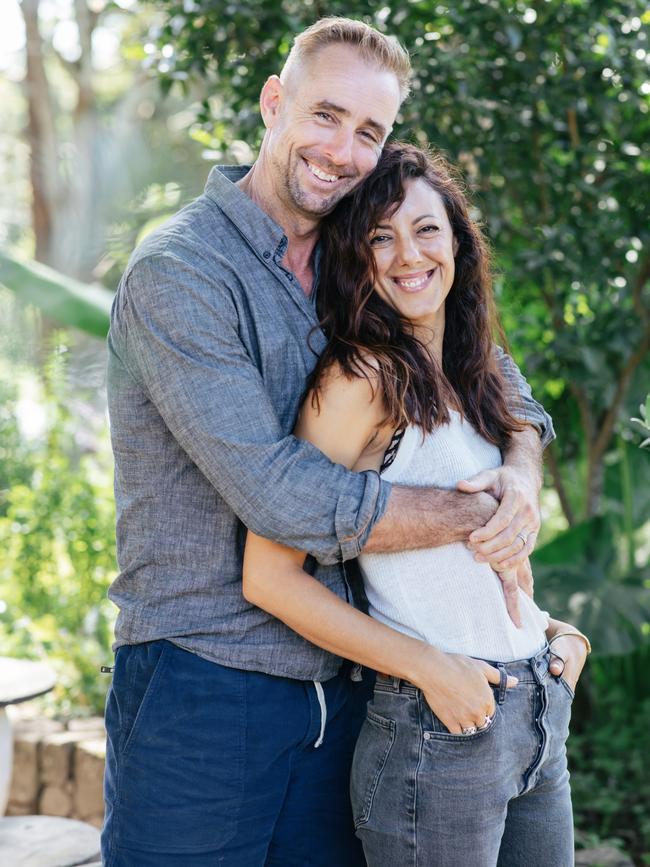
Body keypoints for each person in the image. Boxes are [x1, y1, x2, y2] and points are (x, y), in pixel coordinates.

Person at [103, 17, 571, 867]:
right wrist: (476, 515)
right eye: (326, 115)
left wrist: (521, 479)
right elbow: (280, 495)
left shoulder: (365, 262)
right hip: (206, 682)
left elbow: (500, 381)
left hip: (354, 685)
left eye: (370, 131)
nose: (343, 149)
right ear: (274, 104)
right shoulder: (183, 273)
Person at [242, 142, 590, 867]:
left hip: (535, 704)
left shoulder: (476, 365)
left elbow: (484, 533)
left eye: (427, 229)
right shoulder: (360, 377)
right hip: (438, 727)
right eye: (381, 236)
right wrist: (429, 667)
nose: (408, 254)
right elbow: (269, 576)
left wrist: (554, 634)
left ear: (457, 240)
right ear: (357, 257)